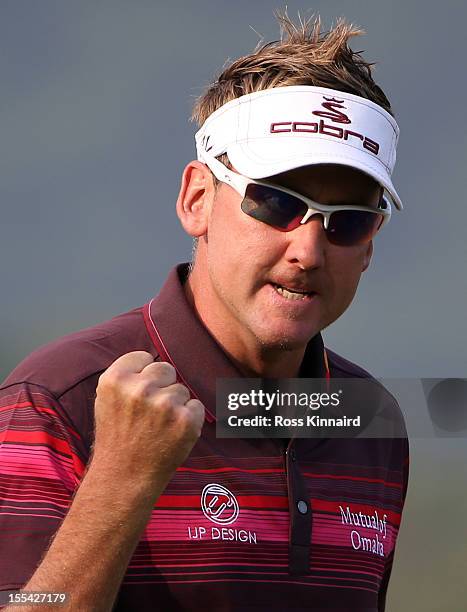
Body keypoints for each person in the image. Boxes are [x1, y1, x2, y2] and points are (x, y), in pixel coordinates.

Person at [0, 13, 409, 612]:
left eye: (347, 219)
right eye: (276, 202)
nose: (307, 251)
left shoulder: (370, 419)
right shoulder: (59, 398)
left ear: (370, 243)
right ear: (197, 200)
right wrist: (121, 481)